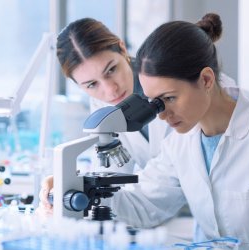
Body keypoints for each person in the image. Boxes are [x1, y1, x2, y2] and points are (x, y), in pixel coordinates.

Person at [107, 13, 249, 249]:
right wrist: (82, 189)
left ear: (206, 80)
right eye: (155, 102)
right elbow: (143, 204)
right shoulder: (179, 144)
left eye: (169, 98)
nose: (162, 115)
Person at [38, 17, 235, 215]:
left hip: (210, 209)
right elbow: (113, 177)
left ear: (122, 49)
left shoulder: (192, 89)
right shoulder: (103, 104)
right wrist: (73, 185)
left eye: (111, 70)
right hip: (155, 210)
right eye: (92, 84)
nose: (110, 90)